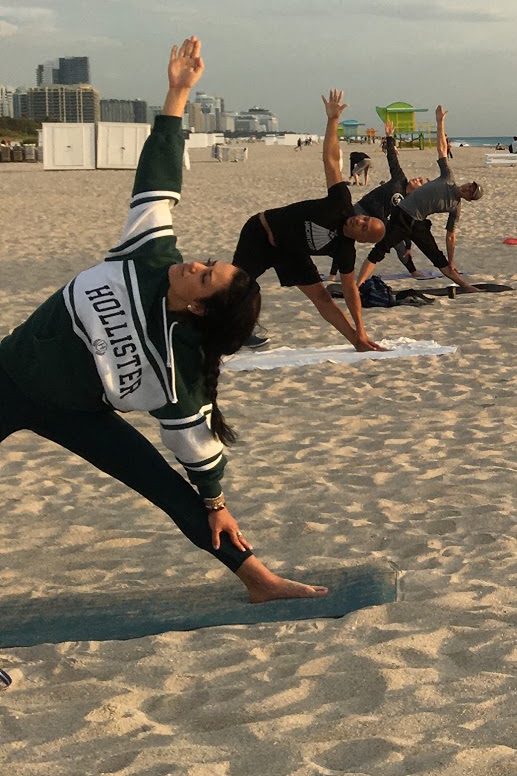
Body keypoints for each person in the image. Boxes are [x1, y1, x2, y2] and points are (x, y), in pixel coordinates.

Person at [0, 38, 324, 602]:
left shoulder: (180, 366)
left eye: (203, 276)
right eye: (208, 262)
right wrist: (177, 93)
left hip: (79, 415)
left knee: (172, 492)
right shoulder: (149, 253)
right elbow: (159, 175)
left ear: (198, 307)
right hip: (6, 375)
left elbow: (195, 441)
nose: (195, 263)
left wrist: (216, 500)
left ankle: (258, 579)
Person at [231, 89, 388, 351]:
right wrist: (332, 120)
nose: (358, 221)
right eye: (363, 218)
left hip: (292, 254)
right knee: (236, 287)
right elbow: (330, 160)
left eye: (363, 227)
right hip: (261, 233)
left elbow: (350, 292)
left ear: (362, 239)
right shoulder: (340, 202)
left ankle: (356, 342)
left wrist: (360, 332)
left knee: (323, 299)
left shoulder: (345, 251)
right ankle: (238, 330)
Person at [356, 106, 483, 289]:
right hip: (402, 216)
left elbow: (450, 236)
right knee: (379, 251)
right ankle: (358, 284)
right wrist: (440, 123)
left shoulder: (455, 207)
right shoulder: (448, 177)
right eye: (469, 185)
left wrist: (452, 260)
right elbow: (441, 149)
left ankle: (467, 287)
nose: (467, 187)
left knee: (439, 259)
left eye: (470, 191)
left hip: (419, 224)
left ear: (469, 198)